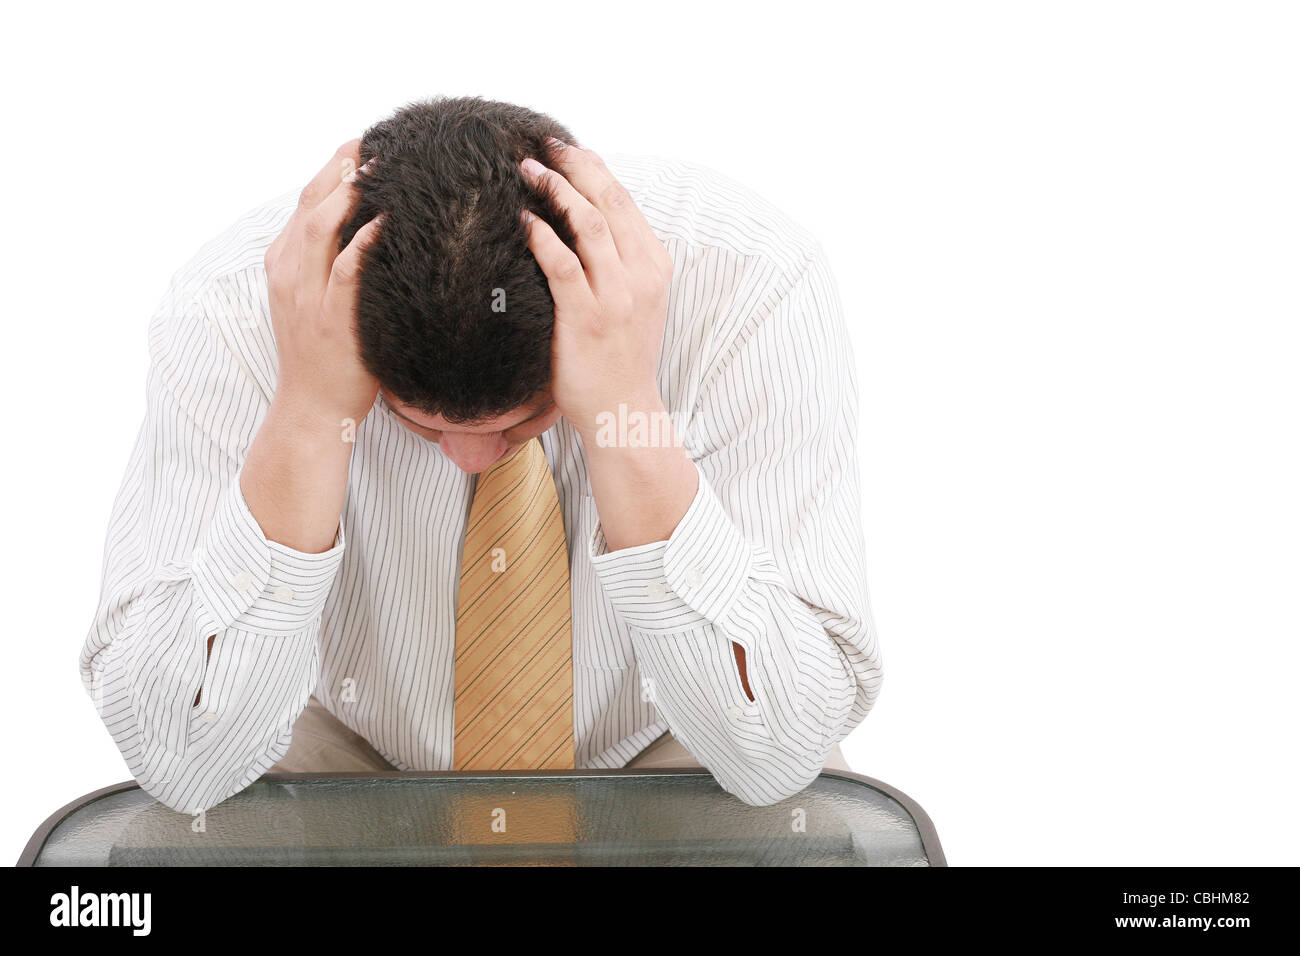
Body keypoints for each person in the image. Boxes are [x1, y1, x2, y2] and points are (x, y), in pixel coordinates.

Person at [79, 96, 883, 814]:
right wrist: (311, 410)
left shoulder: (752, 283)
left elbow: (779, 749)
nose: (470, 458)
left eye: (522, 418)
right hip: (347, 758)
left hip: (679, 748)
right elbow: (178, 762)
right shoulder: (231, 308)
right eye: (418, 423)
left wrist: (622, 413)